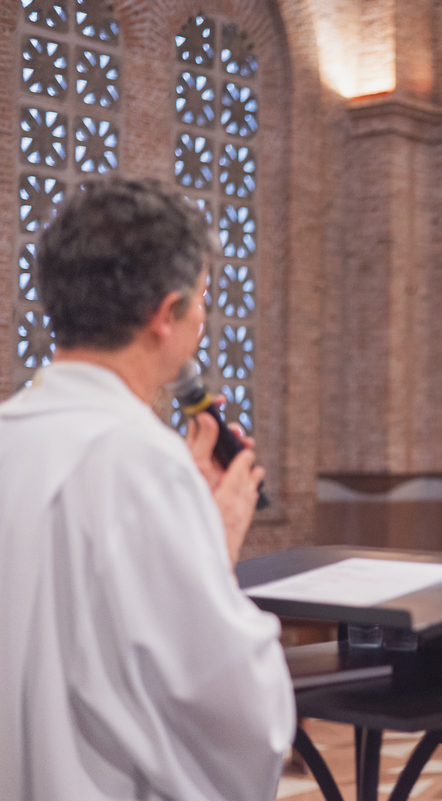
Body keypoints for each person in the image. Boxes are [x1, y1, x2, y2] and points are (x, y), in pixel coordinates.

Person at [0, 178, 295, 800]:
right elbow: (239, 721)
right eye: (202, 301)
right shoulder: (143, 466)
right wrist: (215, 547)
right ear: (166, 315)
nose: (203, 321)